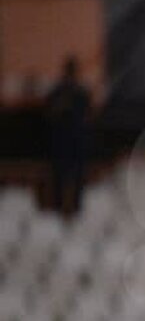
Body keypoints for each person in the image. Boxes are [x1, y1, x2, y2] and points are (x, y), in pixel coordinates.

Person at [44, 56, 92, 215]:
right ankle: (59, 211)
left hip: (75, 144)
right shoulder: (57, 93)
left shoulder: (81, 93)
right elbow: (49, 115)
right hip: (61, 144)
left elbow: (87, 118)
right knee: (59, 179)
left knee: (77, 180)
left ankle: (77, 211)